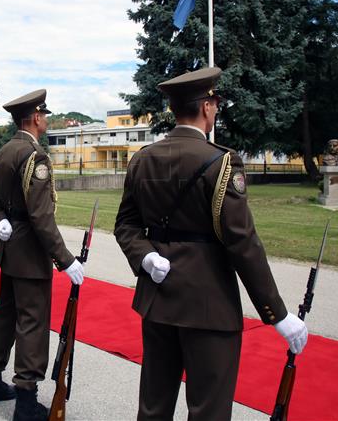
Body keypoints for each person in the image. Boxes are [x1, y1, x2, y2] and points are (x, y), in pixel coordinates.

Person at [113, 67, 308, 421]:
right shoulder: (220, 161)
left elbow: (125, 225)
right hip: (207, 302)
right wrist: (276, 314)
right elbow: (242, 243)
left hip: (157, 301)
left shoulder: (142, 159)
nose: (216, 110)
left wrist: (146, 258)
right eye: (215, 103)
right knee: (208, 410)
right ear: (206, 107)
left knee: (153, 406)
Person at [0, 89, 84, 421]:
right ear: (36, 117)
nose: (47, 120)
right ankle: (26, 400)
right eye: (45, 116)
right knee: (32, 324)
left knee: (5, 316)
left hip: (10, 250)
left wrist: (1, 222)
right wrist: (65, 259)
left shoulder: (5, 152)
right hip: (30, 254)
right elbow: (41, 217)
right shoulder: (34, 157)